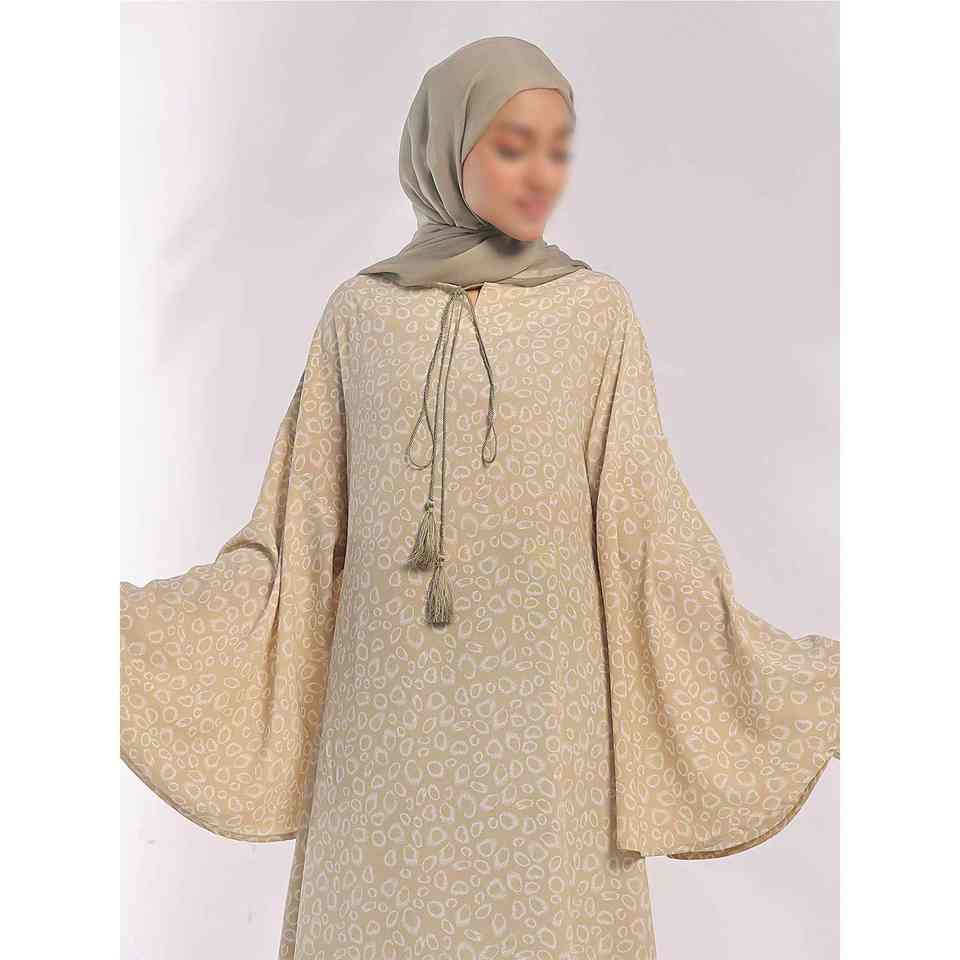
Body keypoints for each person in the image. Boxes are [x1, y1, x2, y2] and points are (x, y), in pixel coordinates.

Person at [121, 36, 840, 960]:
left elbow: (647, 536)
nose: (542, 175)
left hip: (550, 737)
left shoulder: (595, 315)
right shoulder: (360, 316)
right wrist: (120, 638)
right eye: (512, 145)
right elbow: (293, 545)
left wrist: (803, 680)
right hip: (386, 736)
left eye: (559, 149)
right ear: (445, 145)